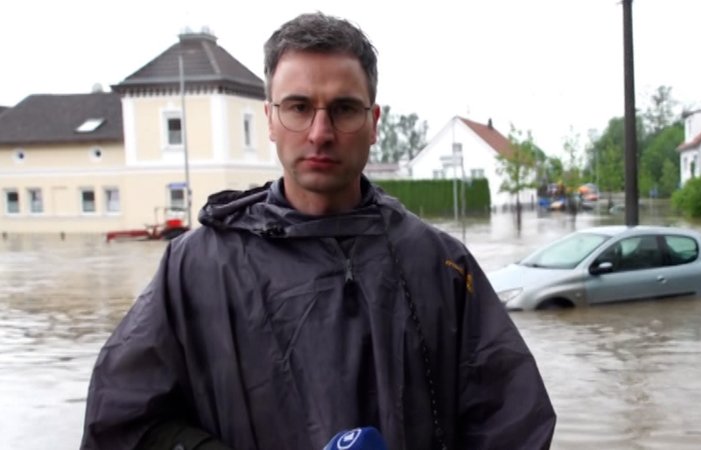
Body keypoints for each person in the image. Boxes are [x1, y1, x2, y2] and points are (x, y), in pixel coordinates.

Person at [81, 12, 556, 450]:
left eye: (344, 109)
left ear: (373, 123)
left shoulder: (442, 267)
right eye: (298, 107)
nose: (320, 132)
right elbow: (123, 422)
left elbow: (512, 424)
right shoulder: (195, 268)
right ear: (269, 118)